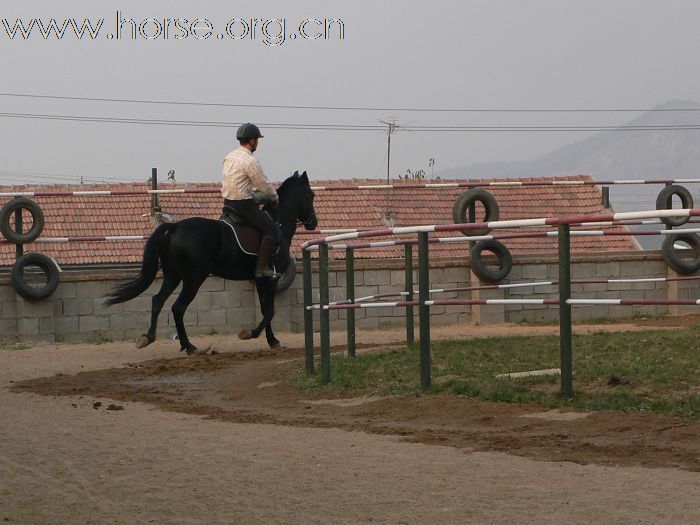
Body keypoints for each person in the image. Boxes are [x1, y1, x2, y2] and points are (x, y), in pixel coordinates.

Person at [222, 123, 281, 279]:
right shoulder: (250, 161)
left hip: (228, 202)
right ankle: (261, 268)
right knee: (272, 230)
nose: (257, 144)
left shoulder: (229, 156)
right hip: (243, 205)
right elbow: (263, 184)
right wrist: (275, 197)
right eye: (257, 141)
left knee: (259, 196)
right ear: (253, 141)